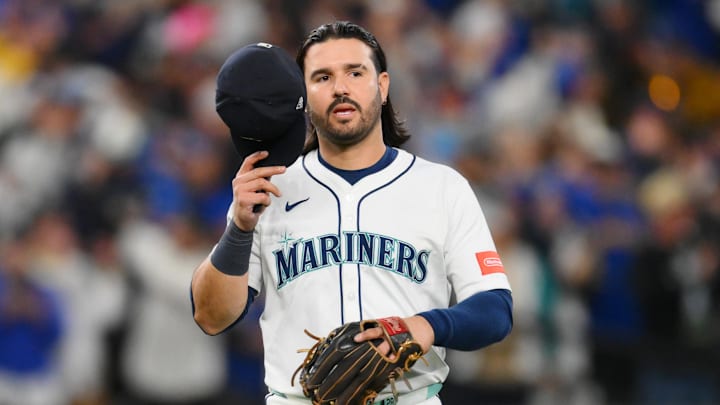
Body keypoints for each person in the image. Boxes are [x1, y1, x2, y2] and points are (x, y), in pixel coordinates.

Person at [191, 21, 513, 404]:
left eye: (355, 72)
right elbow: (211, 316)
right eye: (322, 77)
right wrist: (240, 229)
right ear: (304, 96)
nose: (340, 87)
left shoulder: (441, 187)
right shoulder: (268, 189)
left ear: (383, 85)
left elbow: (495, 310)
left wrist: (422, 326)